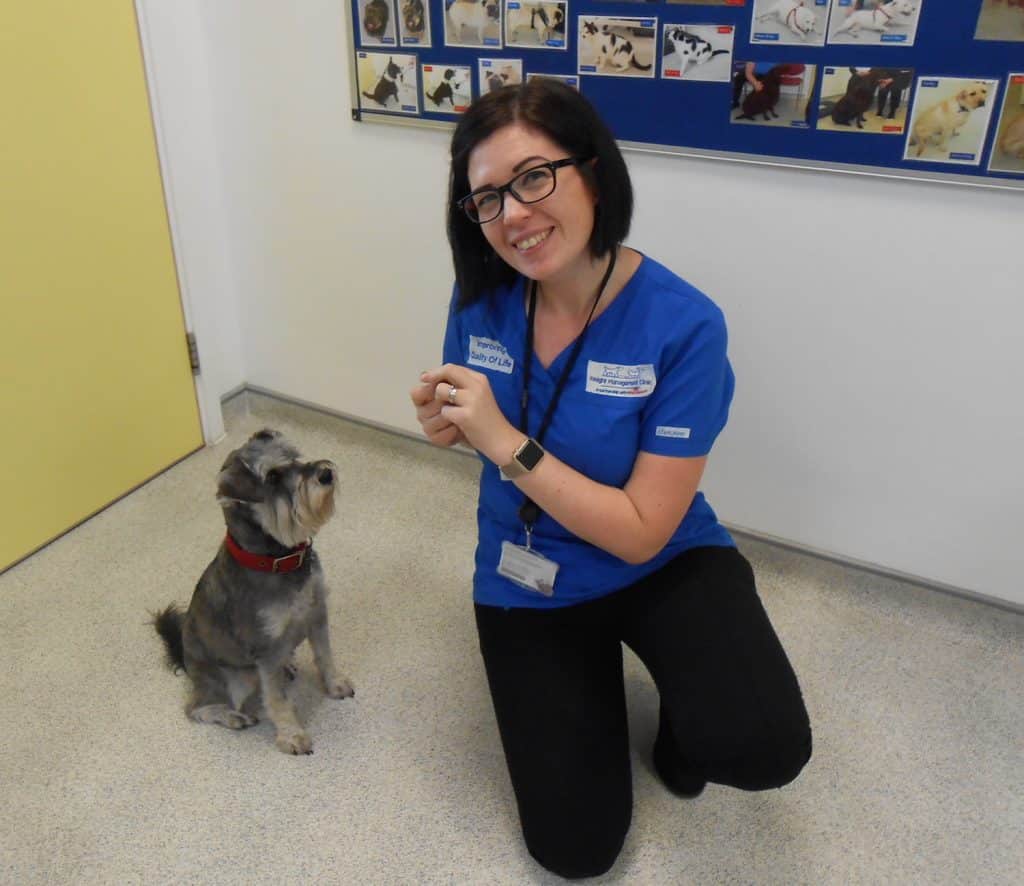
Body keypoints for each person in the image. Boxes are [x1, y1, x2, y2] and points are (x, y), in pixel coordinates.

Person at [409, 79, 812, 880]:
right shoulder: (480, 297)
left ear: (593, 172)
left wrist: (504, 442)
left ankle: (675, 722)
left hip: (657, 555)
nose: (513, 215)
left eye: (533, 177)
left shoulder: (683, 323)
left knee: (761, 744)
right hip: (529, 573)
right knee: (575, 851)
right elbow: (473, 426)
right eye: (486, 198)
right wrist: (449, 426)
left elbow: (640, 529)